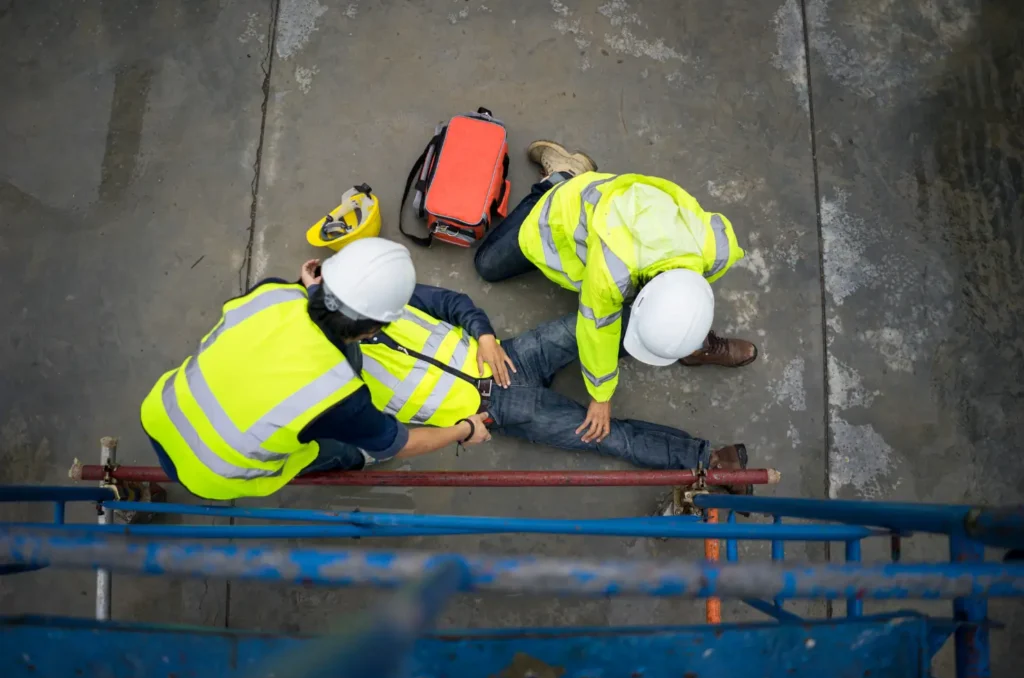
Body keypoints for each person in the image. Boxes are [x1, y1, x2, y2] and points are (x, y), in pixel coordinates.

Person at [298, 268, 751, 493]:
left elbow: (452, 303)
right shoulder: (338, 387)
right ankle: (713, 461)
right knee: (610, 437)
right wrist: (465, 430)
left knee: (599, 324)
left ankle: (688, 342)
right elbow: (380, 443)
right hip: (498, 412)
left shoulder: (377, 297)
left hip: (511, 356)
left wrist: (485, 336)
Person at [139, 238, 491, 500]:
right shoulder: (339, 394)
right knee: (335, 448)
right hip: (213, 472)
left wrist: (311, 293)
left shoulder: (272, 292)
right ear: (372, 329)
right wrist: (464, 429)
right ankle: (355, 459)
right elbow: (402, 444)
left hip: (162, 410)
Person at [474, 141, 759, 444]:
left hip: (619, 216)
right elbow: (597, 331)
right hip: (559, 216)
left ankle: (696, 346)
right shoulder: (610, 273)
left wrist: (686, 331)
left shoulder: (717, 248)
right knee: (488, 265)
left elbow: (690, 297)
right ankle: (562, 176)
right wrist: (601, 395)